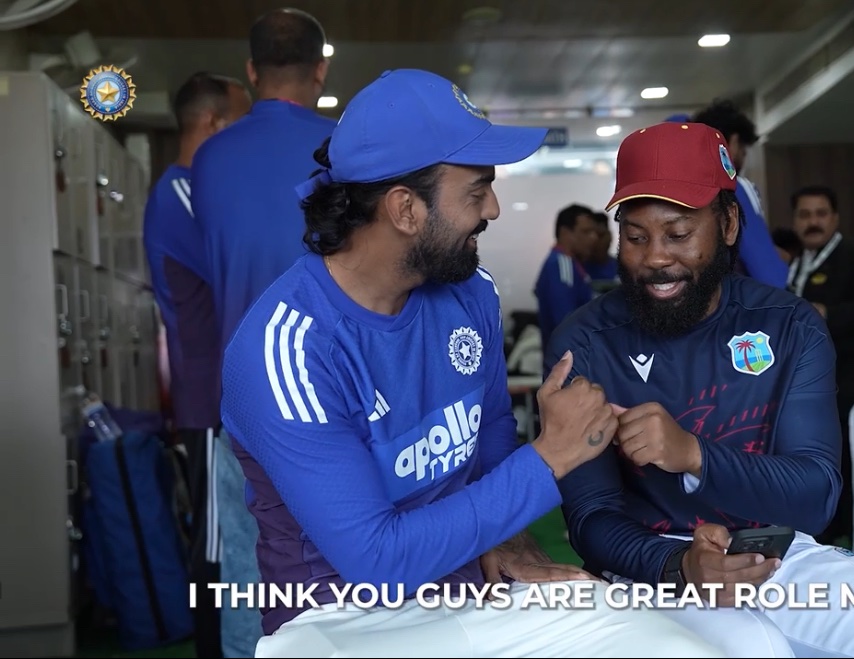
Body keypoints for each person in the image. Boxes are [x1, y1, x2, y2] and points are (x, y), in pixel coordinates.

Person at [218, 68, 726, 659]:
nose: (494, 207)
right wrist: (552, 455)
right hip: (345, 624)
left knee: (679, 645)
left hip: (465, 596)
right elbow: (378, 560)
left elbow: (486, 437)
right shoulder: (287, 350)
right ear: (406, 209)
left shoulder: (469, 292)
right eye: (476, 189)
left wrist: (510, 542)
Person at [548, 121, 854, 658]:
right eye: (635, 236)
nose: (655, 256)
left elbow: (816, 494)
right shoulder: (586, 340)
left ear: (728, 224)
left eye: (678, 234)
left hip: (775, 553)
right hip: (649, 567)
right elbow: (590, 520)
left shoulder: (787, 324)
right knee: (752, 648)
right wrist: (677, 565)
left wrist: (693, 454)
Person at [188, 8, 337, 656]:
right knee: (344, 560)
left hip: (245, 396)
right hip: (340, 392)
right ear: (321, 70)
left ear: (250, 74)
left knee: (247, 568)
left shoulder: (211, 157)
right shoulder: (346, 147)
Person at [141, 70, 250, 659]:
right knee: (216, 544)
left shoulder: (189, 191)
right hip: (209, 399)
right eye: (241, 123)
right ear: (213, 124)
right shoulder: (185, 192)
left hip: (214, 397)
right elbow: (234, 267)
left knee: (227, 539)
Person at [787, 184, 854, 544]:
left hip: (846, 375)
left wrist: (828, 313)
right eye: (804, 215)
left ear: (835, 218)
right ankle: (818, 530)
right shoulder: (796, 262)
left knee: (842, 456)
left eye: (820, 214)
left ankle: (844, 534)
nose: (813, 222)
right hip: (804, 381)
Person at [689, 100, 790, 289]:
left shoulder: (683, 185)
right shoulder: (734, 186)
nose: (743, 159)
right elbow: (768, 274)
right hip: (733, 305)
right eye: (743, 151)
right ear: (734, 143)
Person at [533, 203, 598, 351]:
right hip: (568, 362)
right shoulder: (561, 266)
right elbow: (565, 323)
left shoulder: (571, 264)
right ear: (565, 233)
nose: (593, 238)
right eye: (586, 232)